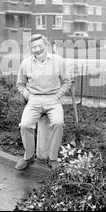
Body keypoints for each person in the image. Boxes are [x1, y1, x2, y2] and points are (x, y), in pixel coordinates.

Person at [15, 34, 71, 170]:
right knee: (25, 125)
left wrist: (57, 96)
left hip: (53, 99)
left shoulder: (58, 61)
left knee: (58, 123)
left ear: (46, 46)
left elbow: (67, 82)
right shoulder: (25, 63)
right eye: (34, 47)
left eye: (40, 46)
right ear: (30, 49)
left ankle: (52, 158)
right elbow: (20, 85)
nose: (37, 49)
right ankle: (28, 157)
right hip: (34, 100)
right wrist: (29, 96)